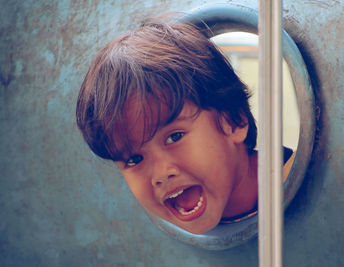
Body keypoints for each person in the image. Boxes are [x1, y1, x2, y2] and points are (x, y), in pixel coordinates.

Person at [76, 16, 294, 235]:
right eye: (134, 159)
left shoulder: (310, 184)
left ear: (233, 121)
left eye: (174, 137)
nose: (161, 173)